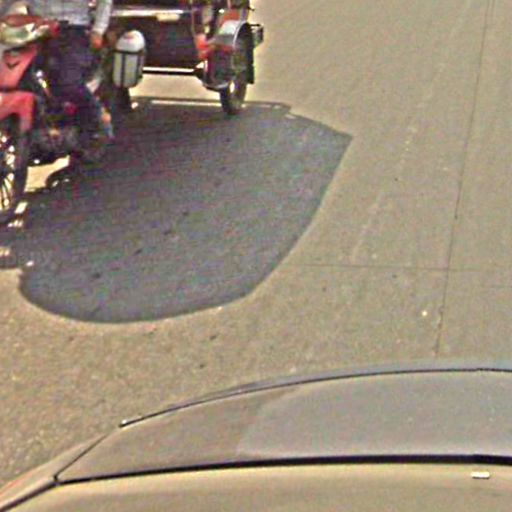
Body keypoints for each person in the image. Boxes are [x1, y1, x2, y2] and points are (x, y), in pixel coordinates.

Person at [2, 0, 114, 144]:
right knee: (15, 73)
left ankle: (96, 119)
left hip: (73, 28)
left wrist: (98, 30)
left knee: (67, 81)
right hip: (35, 30)